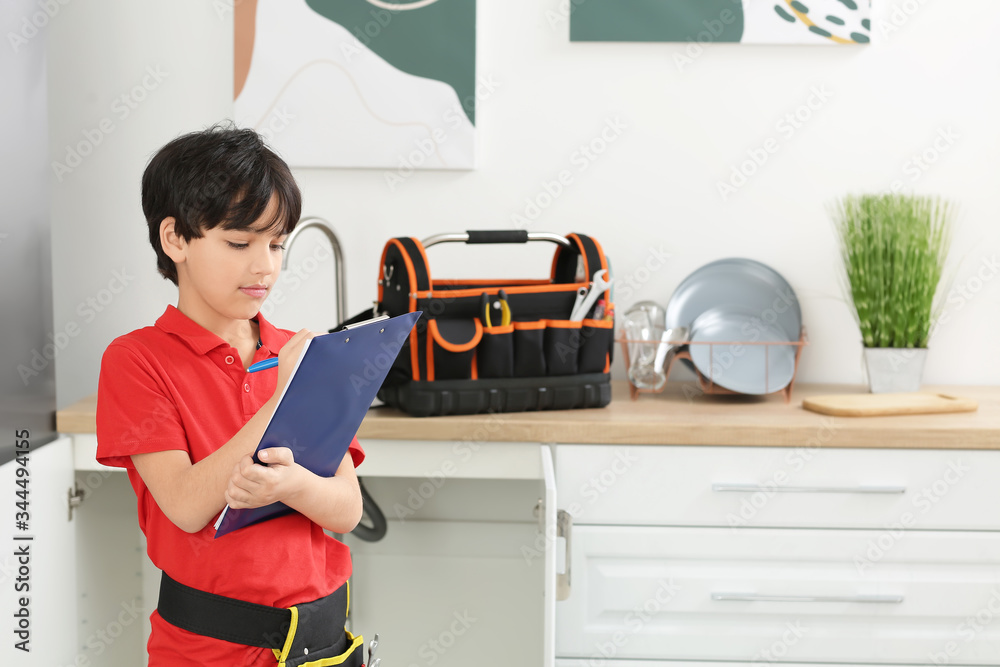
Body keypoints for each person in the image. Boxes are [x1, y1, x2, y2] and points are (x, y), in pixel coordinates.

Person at [96, 124, 365, 666]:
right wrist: (278, 403)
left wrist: (291, 485)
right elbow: (188, 505)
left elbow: (346, 510)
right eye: (239, 243)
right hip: (206, 651)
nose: (264, 265)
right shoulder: (136, 360)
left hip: (323, 647)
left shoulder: (300, 352)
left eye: (276, 244)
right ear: (175, 239)